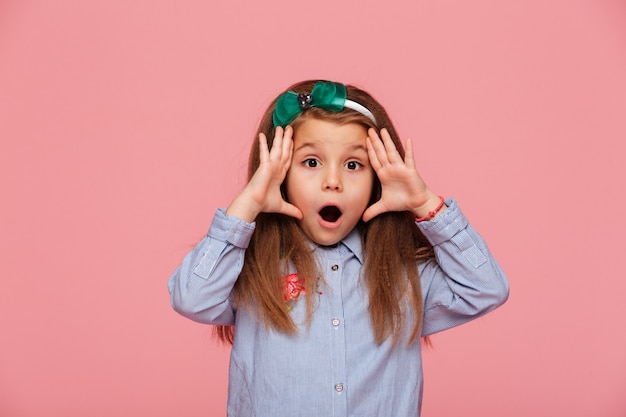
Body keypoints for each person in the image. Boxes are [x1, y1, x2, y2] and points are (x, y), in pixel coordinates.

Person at [168, 80, 509, 417]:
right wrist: (247, 206)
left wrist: (424, 202)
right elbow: (191, 297)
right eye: (312, 163)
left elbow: (487, 289)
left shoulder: (407, 276)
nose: (333, 181)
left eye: (353, 165)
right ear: (281, 174)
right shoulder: (250, 268)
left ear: (377, 179)